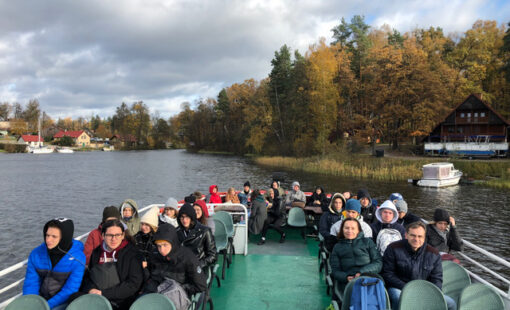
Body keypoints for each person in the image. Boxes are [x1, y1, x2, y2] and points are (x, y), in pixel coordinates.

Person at [382, 221, 457, 310]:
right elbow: (388, 274)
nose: (416, 239)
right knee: (398, 298)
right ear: (406, 235)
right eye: (413, 235)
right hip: (400, 288)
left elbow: (437, 279)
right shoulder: (393, 248)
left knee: (451, 304)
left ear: (424, 237)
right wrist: (408, 288)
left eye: (420, 236)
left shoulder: (433, 253)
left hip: (424, 291)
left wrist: (428, 292)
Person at [79, 219, 144, 310]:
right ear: (103, 236)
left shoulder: (132, 254)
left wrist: (104, 293)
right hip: (97, 295)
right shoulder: (97, 252)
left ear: (123, 235)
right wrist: (91, 289)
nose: (114, 239)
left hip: (122, 300)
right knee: (74, 298)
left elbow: (133, 284)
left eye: (118, 235)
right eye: (110, 235)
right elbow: (89, 276)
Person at [23, 218, 86, 310]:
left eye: (54, 236)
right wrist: (31, 303)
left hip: (62, 302)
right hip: (40, 299)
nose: (48, 240)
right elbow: (31, 283)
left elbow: (70, 290)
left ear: (64, 237)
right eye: (47, 235)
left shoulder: (78, 258)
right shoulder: (36, 254)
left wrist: (46, 306)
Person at [144, 224, 207, 298]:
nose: (161, 250)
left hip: (177, 295)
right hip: (155, 292)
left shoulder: (188, 257)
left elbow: (201, 286)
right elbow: (152, 276)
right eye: (159, 246)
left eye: (165, 245)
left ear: (173, 242)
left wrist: (180, 289)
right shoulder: (155, 254)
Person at [330, 218, 382, 294]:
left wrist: (361, 272)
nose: (349, 231)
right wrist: (346, 277)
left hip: (368, 278)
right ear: (342, 229)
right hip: (348, 282)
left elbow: (378, 262)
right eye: (346, 228)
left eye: (353, 228)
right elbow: (335, 270)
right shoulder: (337, 247)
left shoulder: (368, 242)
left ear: (358, 230)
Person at [177, 203, 217, 269]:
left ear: (192, 217)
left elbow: (213, 255)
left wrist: (198, 265)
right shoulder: (177, 232)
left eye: (187, 217)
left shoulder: (204, 231)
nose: (184, 220)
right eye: (182, 217)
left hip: (198, 268)